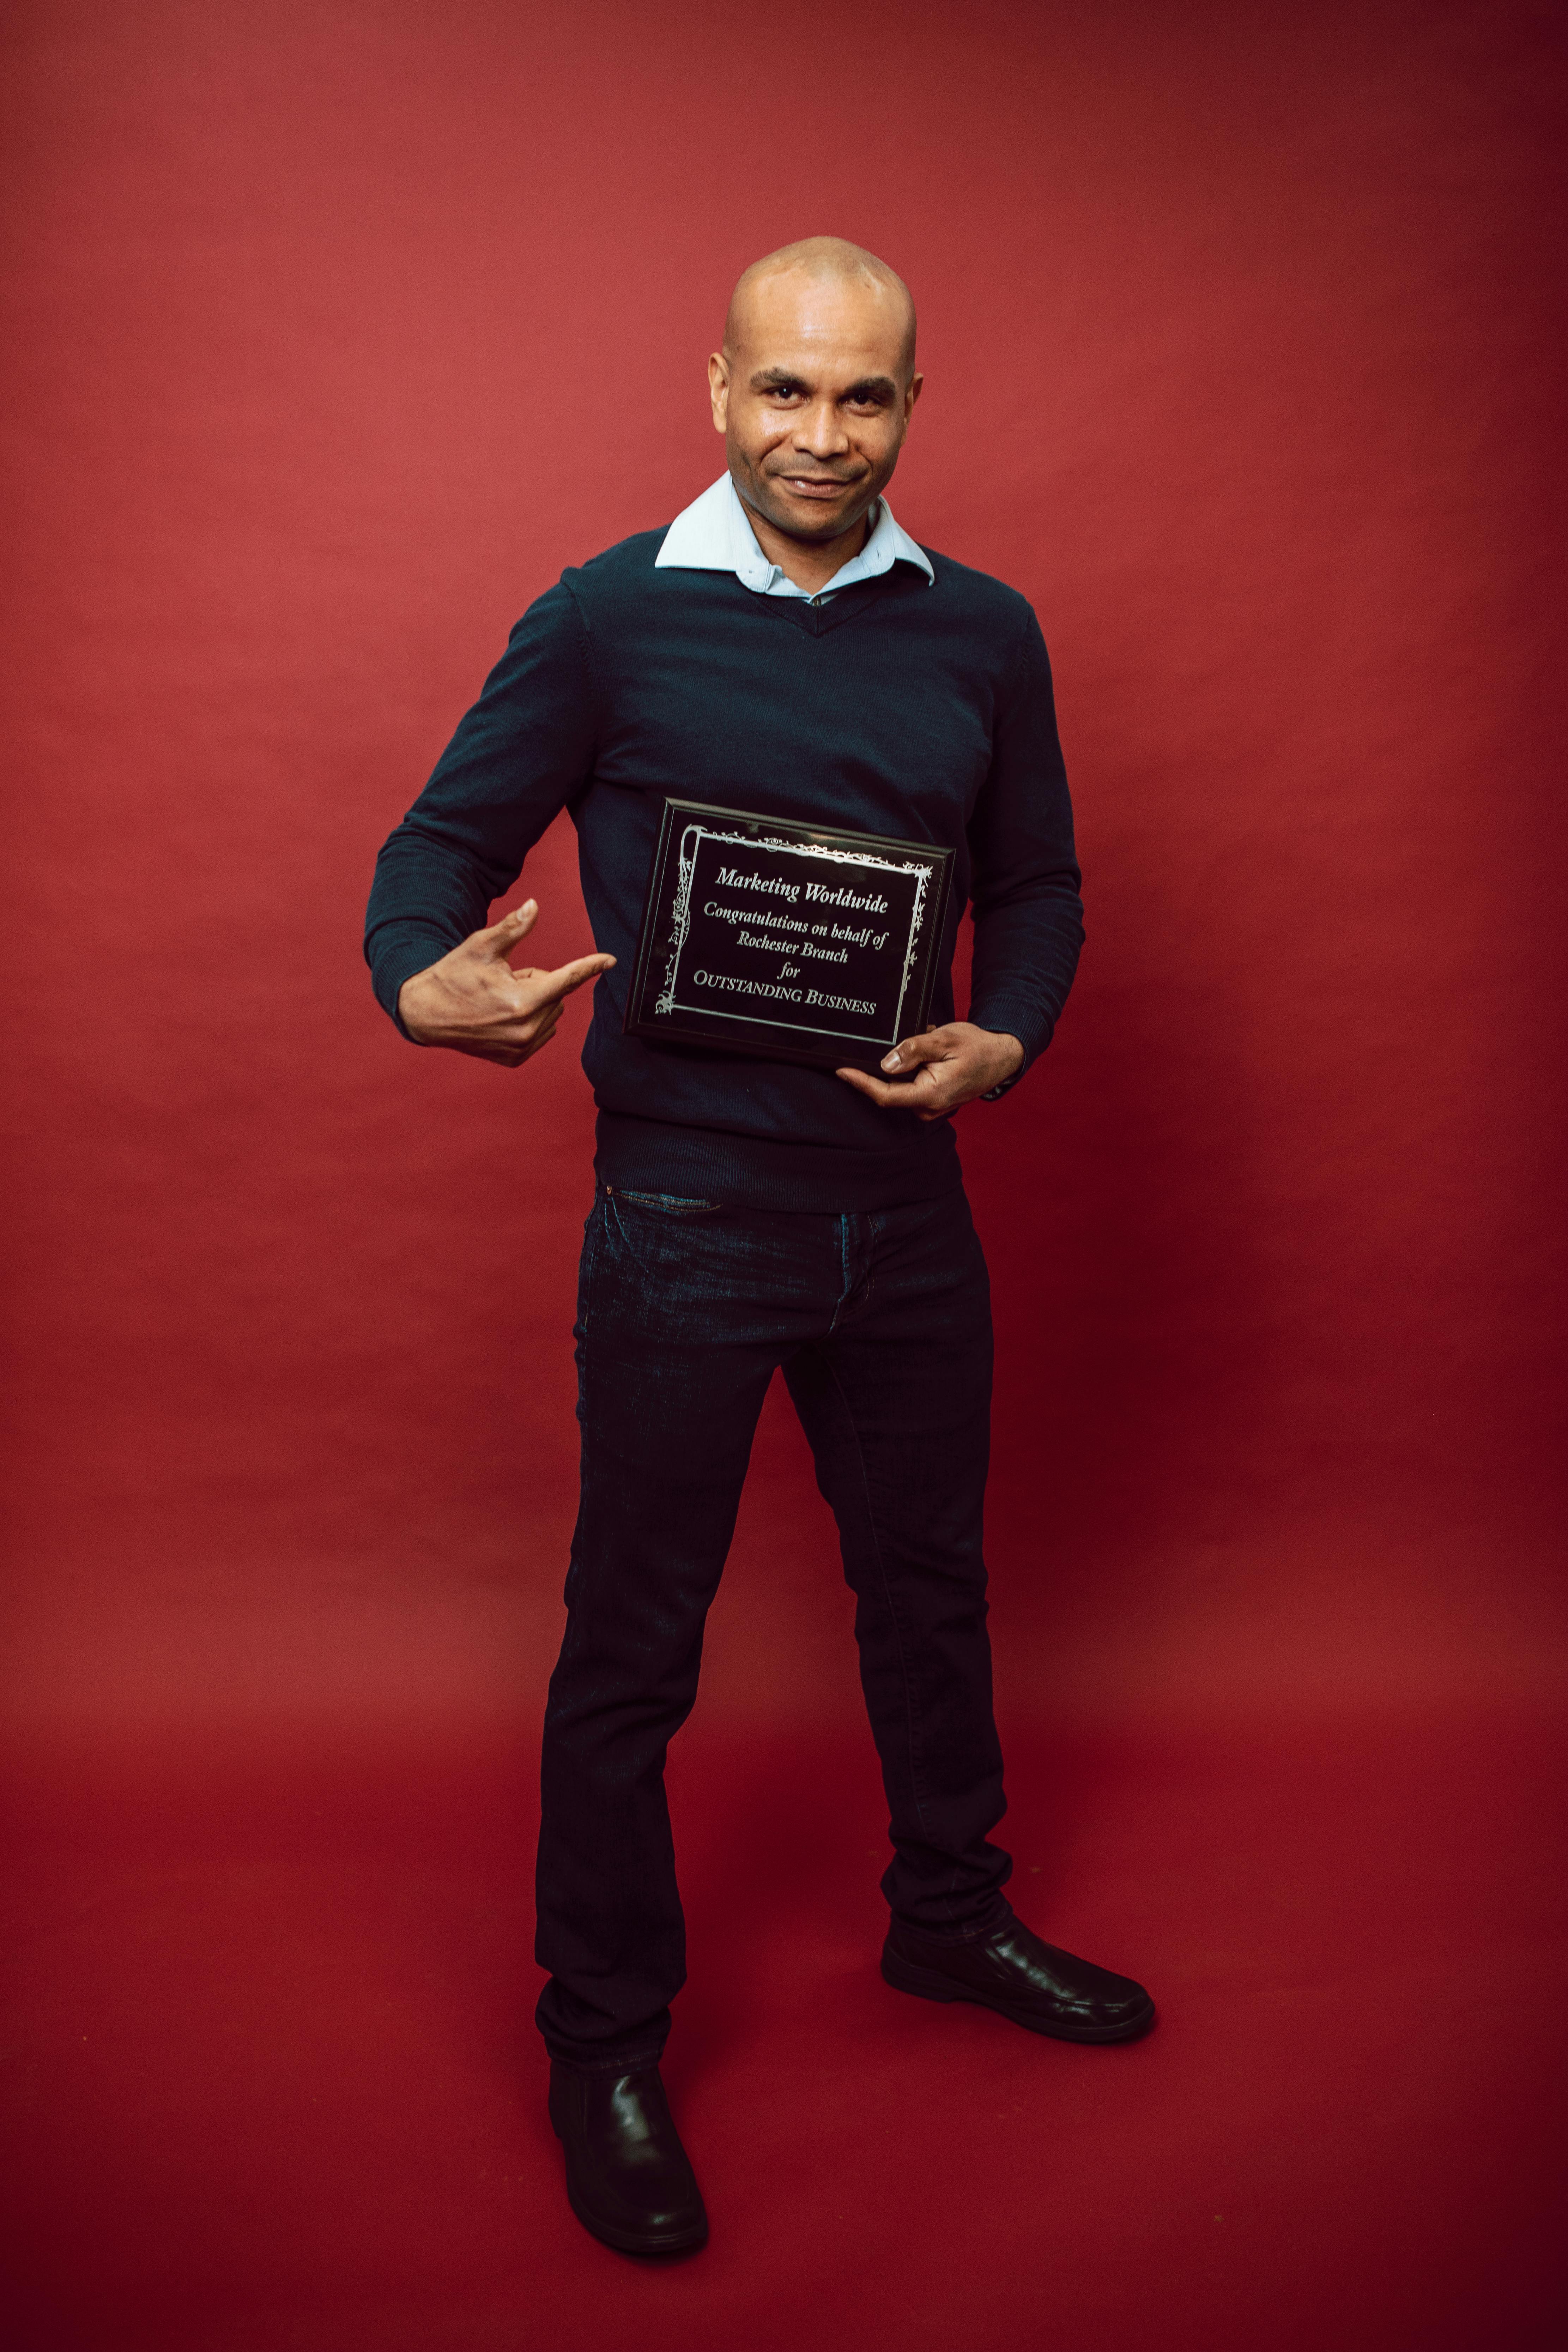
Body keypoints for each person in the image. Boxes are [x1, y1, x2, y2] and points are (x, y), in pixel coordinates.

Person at [364, 235, 1155, 2258]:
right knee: (635, 1648)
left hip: (907, 1219)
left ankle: (951, 1923)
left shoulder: (984, 632)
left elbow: (1045, 881)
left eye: (864, 395)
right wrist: (417, 984)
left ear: (912, 406)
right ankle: (604, 2040)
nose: (823, 433)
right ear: (718, 390)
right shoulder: (607, 619)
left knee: (931, 1591)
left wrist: (1014, 1030)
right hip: (684, 1222)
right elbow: (438, 857)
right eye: (786, 391)